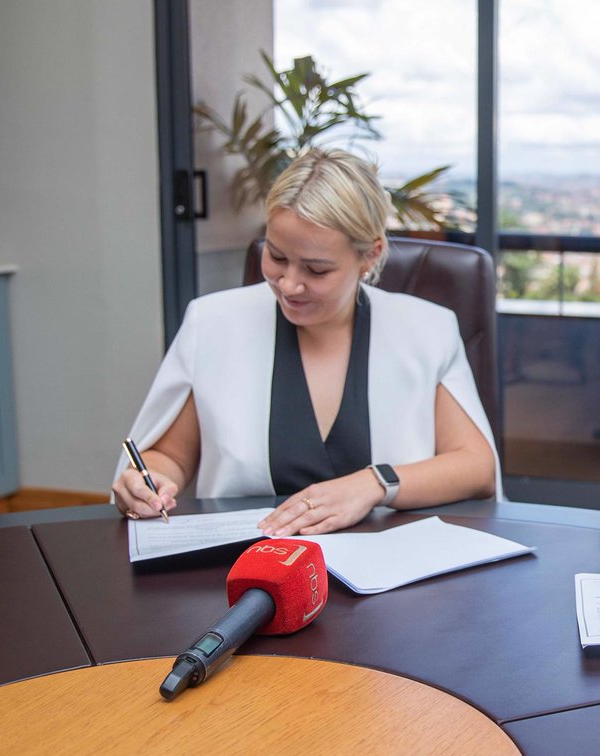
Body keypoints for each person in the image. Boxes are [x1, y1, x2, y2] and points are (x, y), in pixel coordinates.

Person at [113, 148, 499, 535]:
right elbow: (168, 455)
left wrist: (371, 485)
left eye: (316, 269)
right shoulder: (212, 324)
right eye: (277, 257)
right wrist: (147, 481)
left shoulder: (425, 328)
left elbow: (475, 467)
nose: (290, 285)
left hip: (389, 567)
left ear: (370, 255)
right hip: (246, 562)